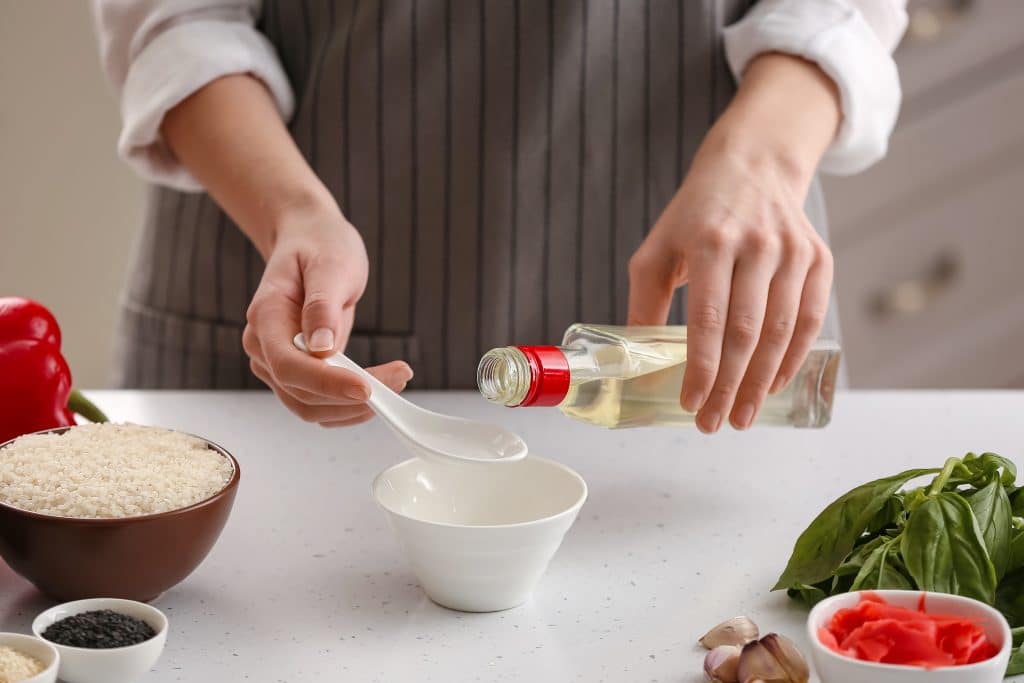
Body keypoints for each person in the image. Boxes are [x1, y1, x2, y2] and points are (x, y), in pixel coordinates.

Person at [92, 0, 906, 433]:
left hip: (716, 256)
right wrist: (293, 213)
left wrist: (762, 163)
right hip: (279, 240)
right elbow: (178, 16)